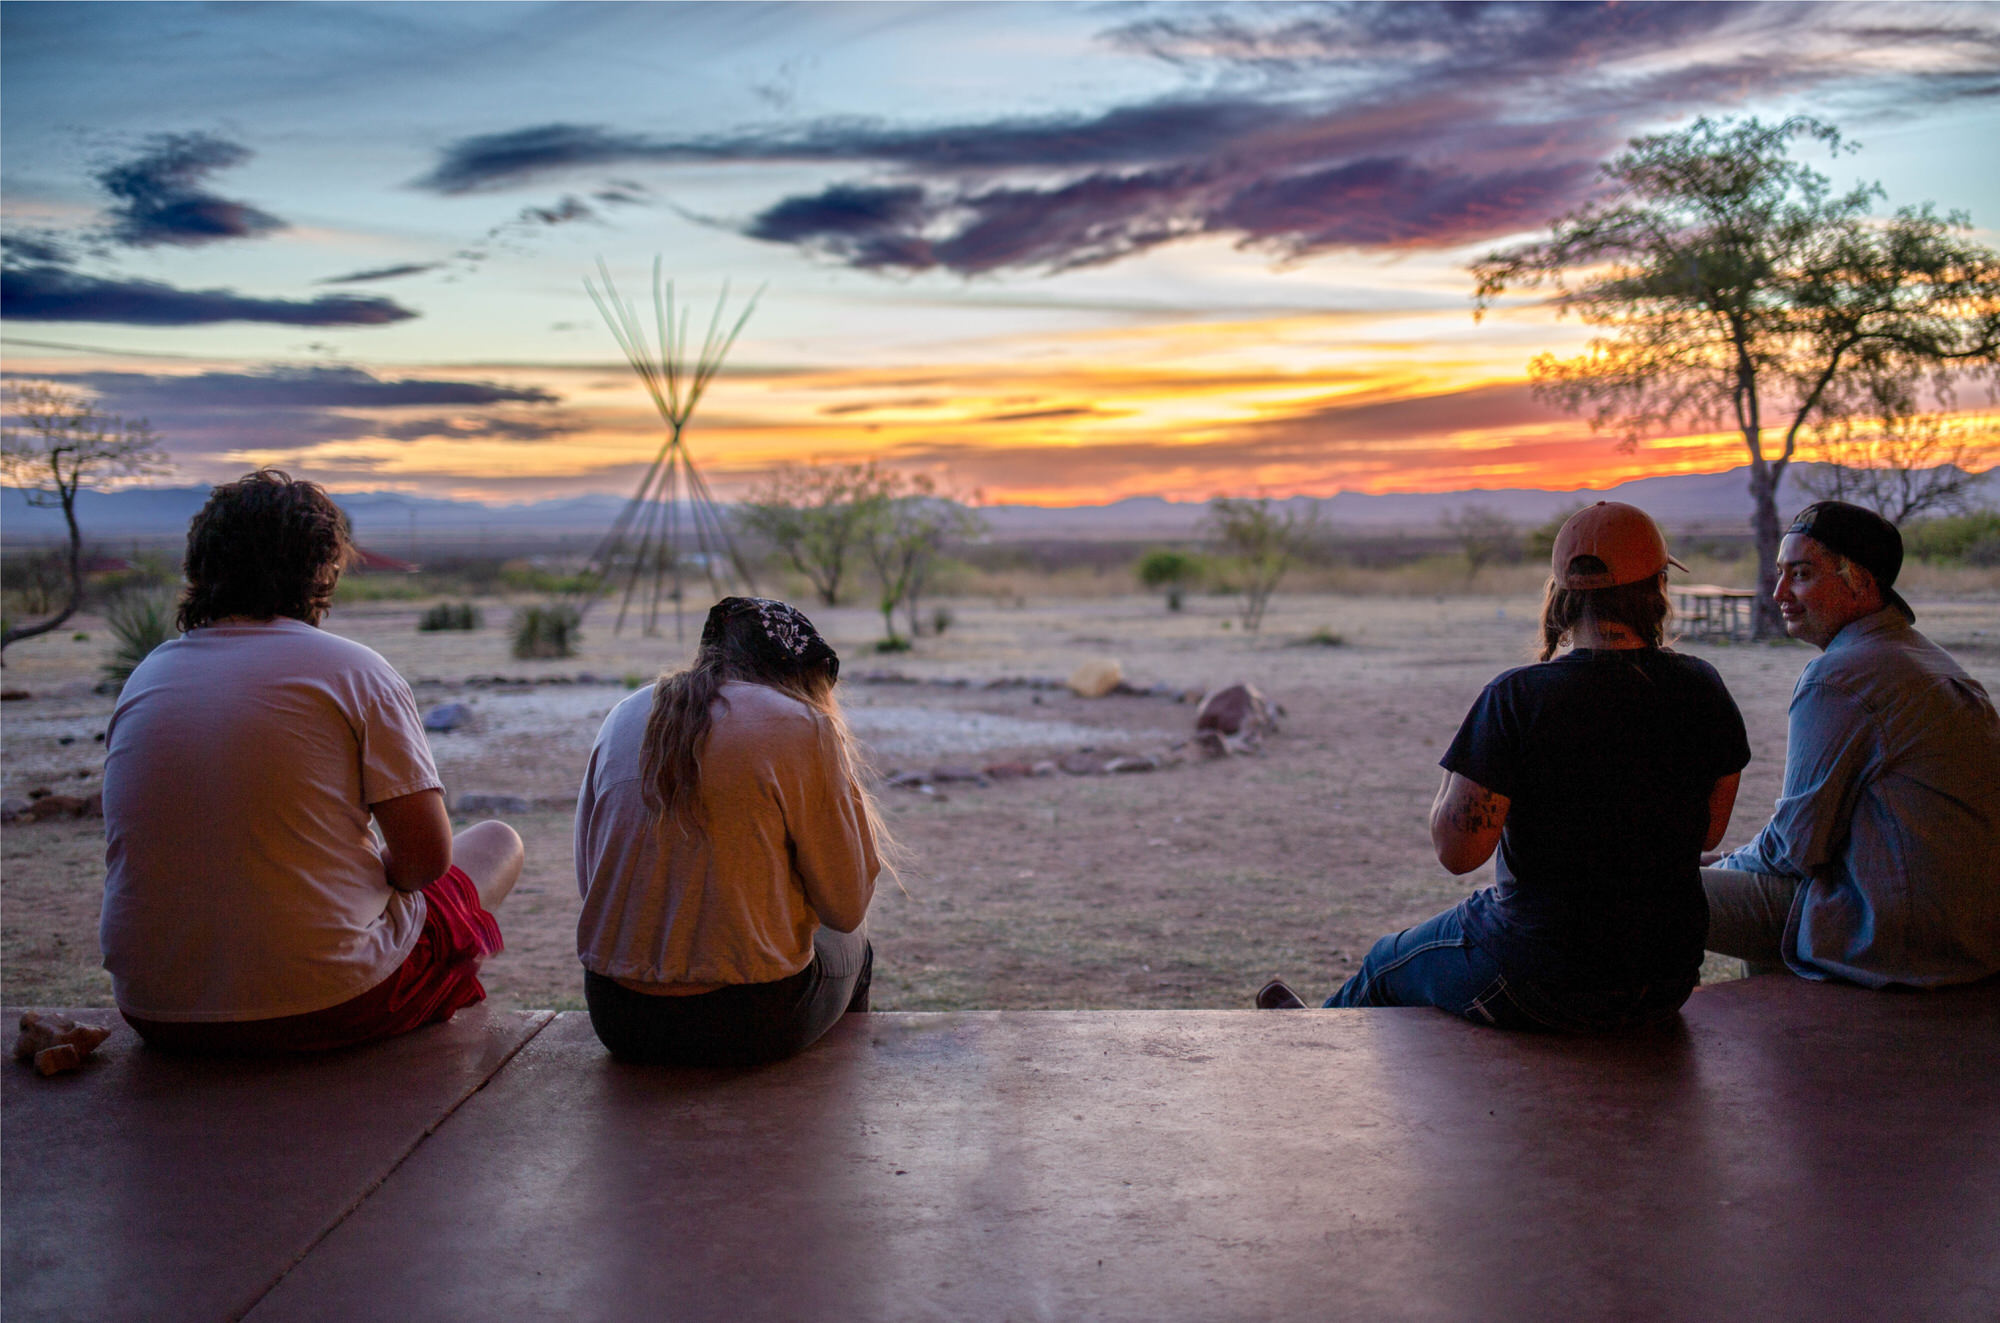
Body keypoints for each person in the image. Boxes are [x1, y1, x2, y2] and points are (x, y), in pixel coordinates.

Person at [1260, 502, 1751, 1031]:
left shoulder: (1518, 697)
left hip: (1537, 981)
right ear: (1657, 589)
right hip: (1663, 981)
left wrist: (1460, 768)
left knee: (1385, 962)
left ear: (1562, 595)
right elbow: (1708, 834)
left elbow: (1458, 852)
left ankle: (1303, 1043)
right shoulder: (1703, 686)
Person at [100, 470, 523, 1053]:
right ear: (321, 570)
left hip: (156, 1009)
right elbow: (426, 862)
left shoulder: (146, 678)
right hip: (329, 1004)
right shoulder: (355, 672)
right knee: (499, 841)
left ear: (200, 566)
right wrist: (378, 873)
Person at [575, 596, 886, 1066]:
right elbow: (844, 905)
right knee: (855, 942)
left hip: (618, 1015)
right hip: (750, 1018)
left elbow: (591, 880)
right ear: (802, 673)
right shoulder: (801, 724)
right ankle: (837, 1107)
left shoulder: (623, 714)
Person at [1703, 501, 2000, 987]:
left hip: (1901, 937)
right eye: (1781, 574)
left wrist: (1723, 864)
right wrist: (1732, 865)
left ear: (1860, 581)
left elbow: (1795, 848)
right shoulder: (1922, 656)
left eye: (1800, 574)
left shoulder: (1841, 677)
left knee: (1649, 892)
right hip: (1967, 931)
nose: (1779, 593)